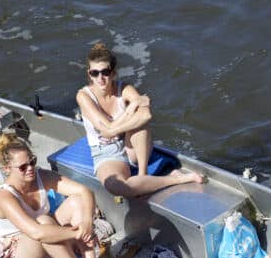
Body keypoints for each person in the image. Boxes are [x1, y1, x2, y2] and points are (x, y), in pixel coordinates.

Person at [0, 133, 113, 258]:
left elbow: (85, 192)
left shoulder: (41, 176)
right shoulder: (4, 197)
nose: (30, 168)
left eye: (32, 161)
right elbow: (36, 233)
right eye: (23, 167)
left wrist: (87, 223)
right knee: (44, 221)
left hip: (51, 244)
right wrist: (77, 233)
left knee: (76, 201)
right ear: (6, 169)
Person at [75, 42, 204, 197]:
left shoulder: (125, 89)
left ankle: (143, 174)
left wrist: (113, 129)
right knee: (117, 187)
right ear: (89, 74)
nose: (100, 78)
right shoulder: (84, 96)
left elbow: (146, 115)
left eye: (105, 72)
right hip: (106, 153)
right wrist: (131, 108)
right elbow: (105, 130)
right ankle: (174, 179)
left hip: (132, 147)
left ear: (113, 72)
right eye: (94, 73)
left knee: (141, 124)